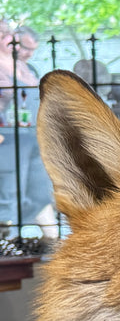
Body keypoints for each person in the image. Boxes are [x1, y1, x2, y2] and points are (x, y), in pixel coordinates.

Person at [0, 23, 56, 237]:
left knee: (39, 192)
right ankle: (8, 242)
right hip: (9, 139)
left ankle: (52, 239)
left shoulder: (27, 69)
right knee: (10, 193)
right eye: (25, 47)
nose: (27, 53)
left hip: (33, 137)